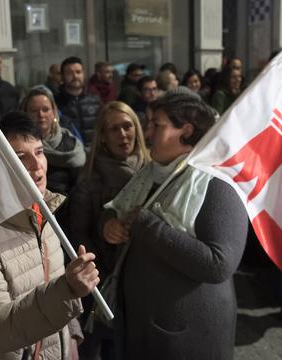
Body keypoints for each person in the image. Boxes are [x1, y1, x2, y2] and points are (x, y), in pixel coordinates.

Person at [100, 91, 248, 359]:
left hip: (184, 337)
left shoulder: (217, 184)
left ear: (186, 131)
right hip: (142, 325)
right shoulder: (150, 172)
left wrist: (147, 226)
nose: (146, 133)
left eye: (157, 125)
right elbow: (116, 208)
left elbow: (219, 264)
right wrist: (109, 224)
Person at [0, 111, 99, 360]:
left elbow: (53, 280)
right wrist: (67, 291)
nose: (36, 165)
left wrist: (70, 334)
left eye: (39, 152)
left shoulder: (44, 213)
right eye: (20, 157)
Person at [67, 101, 150, 360]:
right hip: (108, 286)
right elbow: (76, 235)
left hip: (147, 285)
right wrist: (105, 231)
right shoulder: (89, 180)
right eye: (114, 129)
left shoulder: (153, 172)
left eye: (127, 126)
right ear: (103, 136)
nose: (123, 134)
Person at [20, 86, 86, 195]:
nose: (40, 115)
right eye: (34, 111)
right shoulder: (20, 147)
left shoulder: (69, 143)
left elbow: (80, 186)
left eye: (45, 109)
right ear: (25, 113)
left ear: (54, 112)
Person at [55, 57, 101, 147]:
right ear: (62, 76)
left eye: (78, 72)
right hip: (70, 154)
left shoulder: (95, 100)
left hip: (93, 153)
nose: (75, 76)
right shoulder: (55, 103)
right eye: (69, 73)